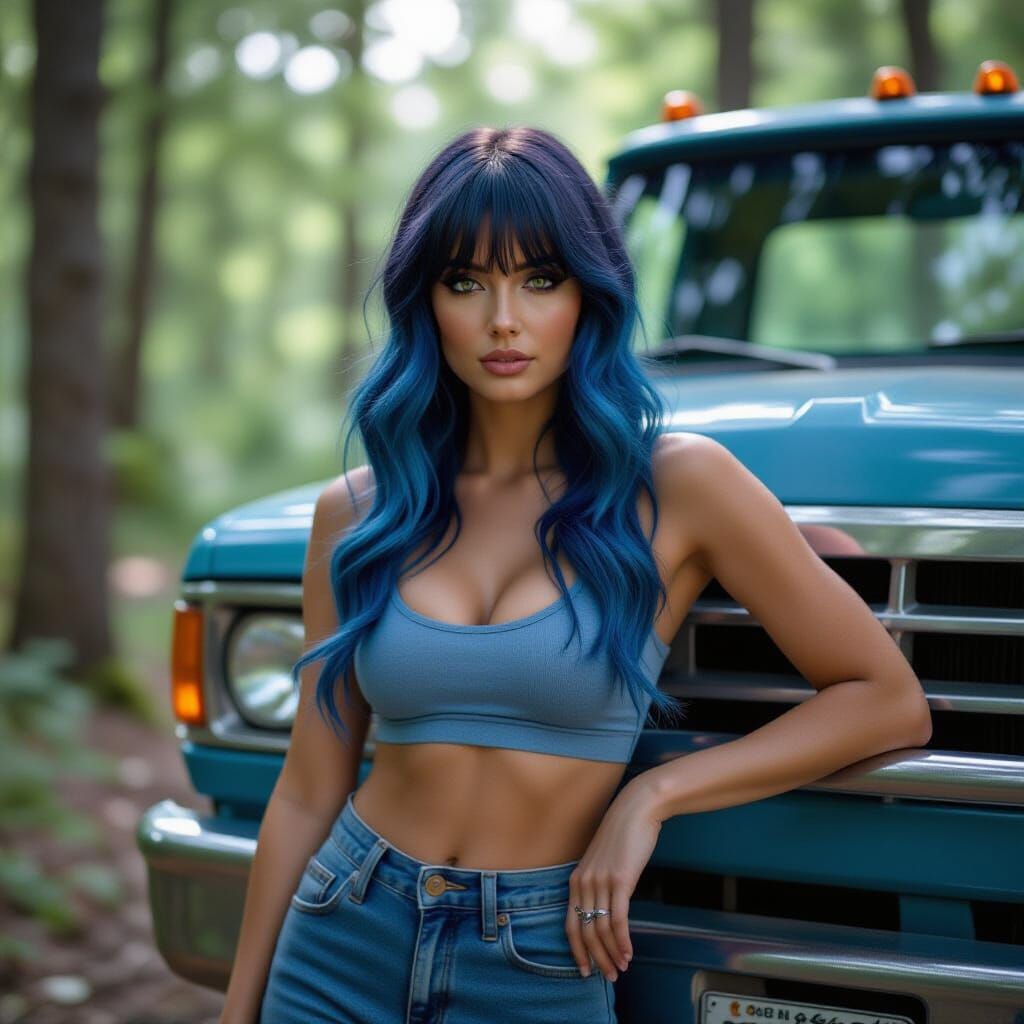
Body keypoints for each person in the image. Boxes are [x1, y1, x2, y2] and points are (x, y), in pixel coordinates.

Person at [219, 126, 932, 1024]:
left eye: (539, 280)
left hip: (542, 948)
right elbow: (308, 787)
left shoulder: (680, 484)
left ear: (588, 295)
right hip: (343, 927)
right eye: (466, 282)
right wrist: (238, 1007)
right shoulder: (360, 511)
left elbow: (883, 697)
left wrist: (652, 795)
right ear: (425, 301)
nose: (503, 319)